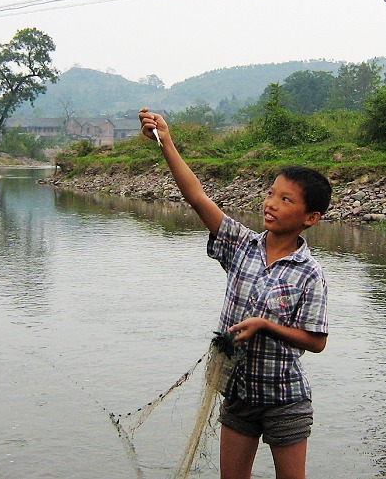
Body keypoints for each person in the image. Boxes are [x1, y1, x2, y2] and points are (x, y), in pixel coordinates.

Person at [138, 108, 331, 479]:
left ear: (311, 217)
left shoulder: (310, 273)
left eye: (286, 200)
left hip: (284, 398)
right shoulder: (242, 246)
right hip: (239, 391)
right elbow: (197, 197)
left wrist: (265, 325)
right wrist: (167, 143)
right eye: (271, 193)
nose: (271, 204)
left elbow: (316, 341)